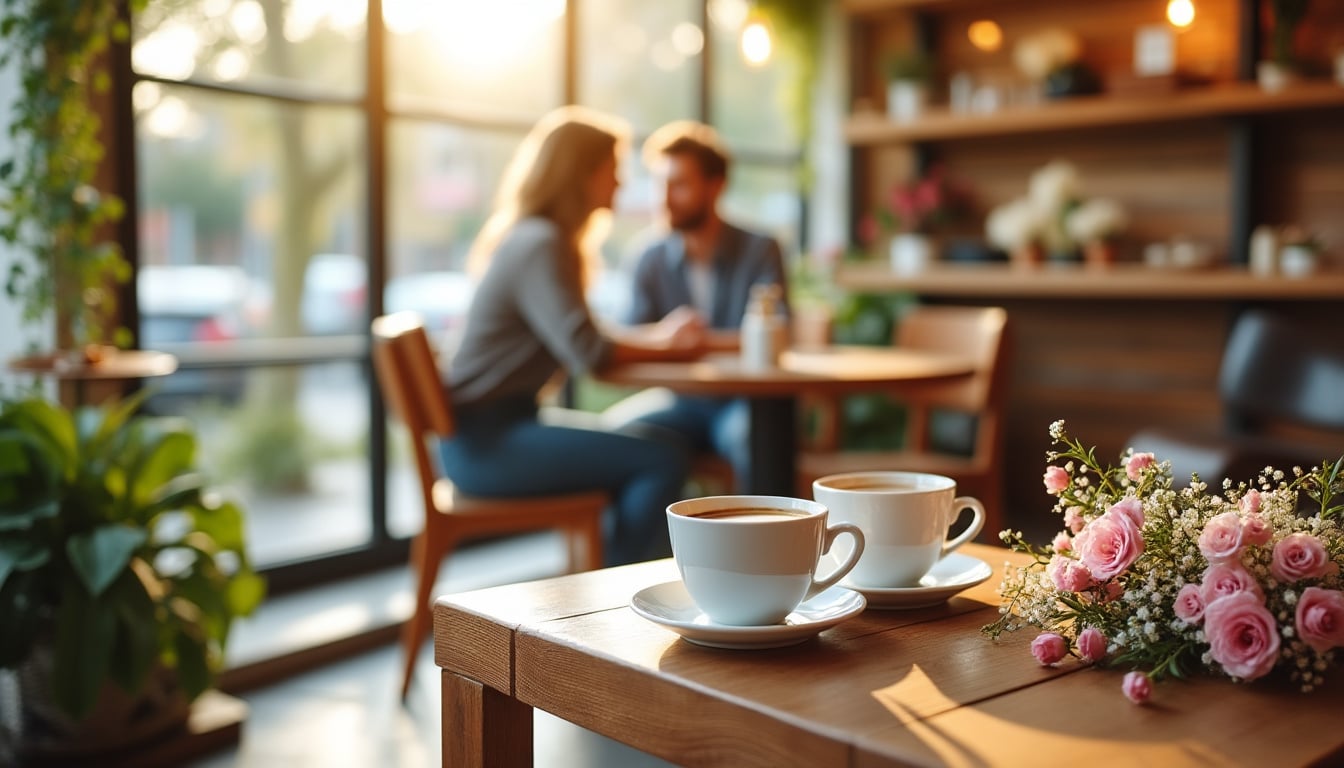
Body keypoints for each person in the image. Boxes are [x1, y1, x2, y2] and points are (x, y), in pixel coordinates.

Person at [440, 106, 707, 567]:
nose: (620, 184)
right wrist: (664, 341)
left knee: (649, 446)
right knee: (660, 460)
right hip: (487, 445)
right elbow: (590, 353)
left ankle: (610, 577)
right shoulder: (541, 243)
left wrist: (658, 339)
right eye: (613, 171)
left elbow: (587, 338)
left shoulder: (534, 238)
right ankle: (612, 593)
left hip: (495, 432)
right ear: (581, 175)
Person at [609, 120, 788, 493]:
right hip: (679, 403)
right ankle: (644, 552)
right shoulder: (649, 257)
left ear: (716, 186)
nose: (665, 197)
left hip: (744, 403)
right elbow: (629, 338)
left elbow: (779, 335)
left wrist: (688, 342)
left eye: (680, 185)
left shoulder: (760, 249)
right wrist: (672, 339)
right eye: (661, 184)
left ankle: (761, 549)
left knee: (752, 438)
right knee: (617, 439)